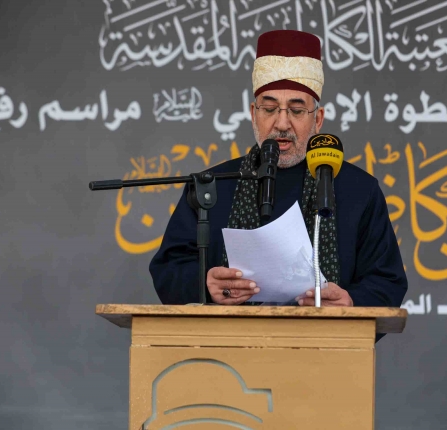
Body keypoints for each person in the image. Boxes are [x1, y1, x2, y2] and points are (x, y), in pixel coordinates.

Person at [150, 30, 407, 316]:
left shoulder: (358, 190)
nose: (282, 123)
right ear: (253, 114)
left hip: (326, 343)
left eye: (296, 110)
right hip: (228, 342)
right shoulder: (212, 186)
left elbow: (387, 281)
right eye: (270, 108)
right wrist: (205, 285)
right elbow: (169, 268)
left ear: (318, 119)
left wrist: (351, 303)